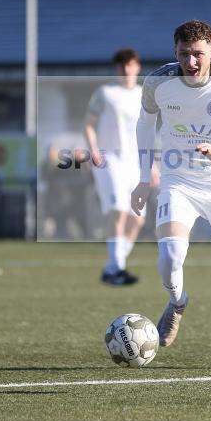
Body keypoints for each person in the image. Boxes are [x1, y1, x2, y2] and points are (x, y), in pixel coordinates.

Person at [131, 20, 211, 371]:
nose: (191, 62)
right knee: (170, 255)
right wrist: (144, 178)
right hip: (179, 182)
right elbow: (144, 125)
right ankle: (177, 303)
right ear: (175, 52)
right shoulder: (158, 81)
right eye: (184, 54)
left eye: (198, 54)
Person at [84, 48, 145, 285]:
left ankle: (112, 267)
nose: (126, 69)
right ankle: (117, 267)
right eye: (121, 65)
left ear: (137, 66)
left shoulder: (143, 95)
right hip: (110, 159)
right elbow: (89, 124)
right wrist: (94, 149)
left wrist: (153, 164)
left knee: (137, 219)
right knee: (118, 209)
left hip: (135, 162)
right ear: (116, 68)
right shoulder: (105, 93)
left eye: (130, 64)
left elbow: (149, 132)